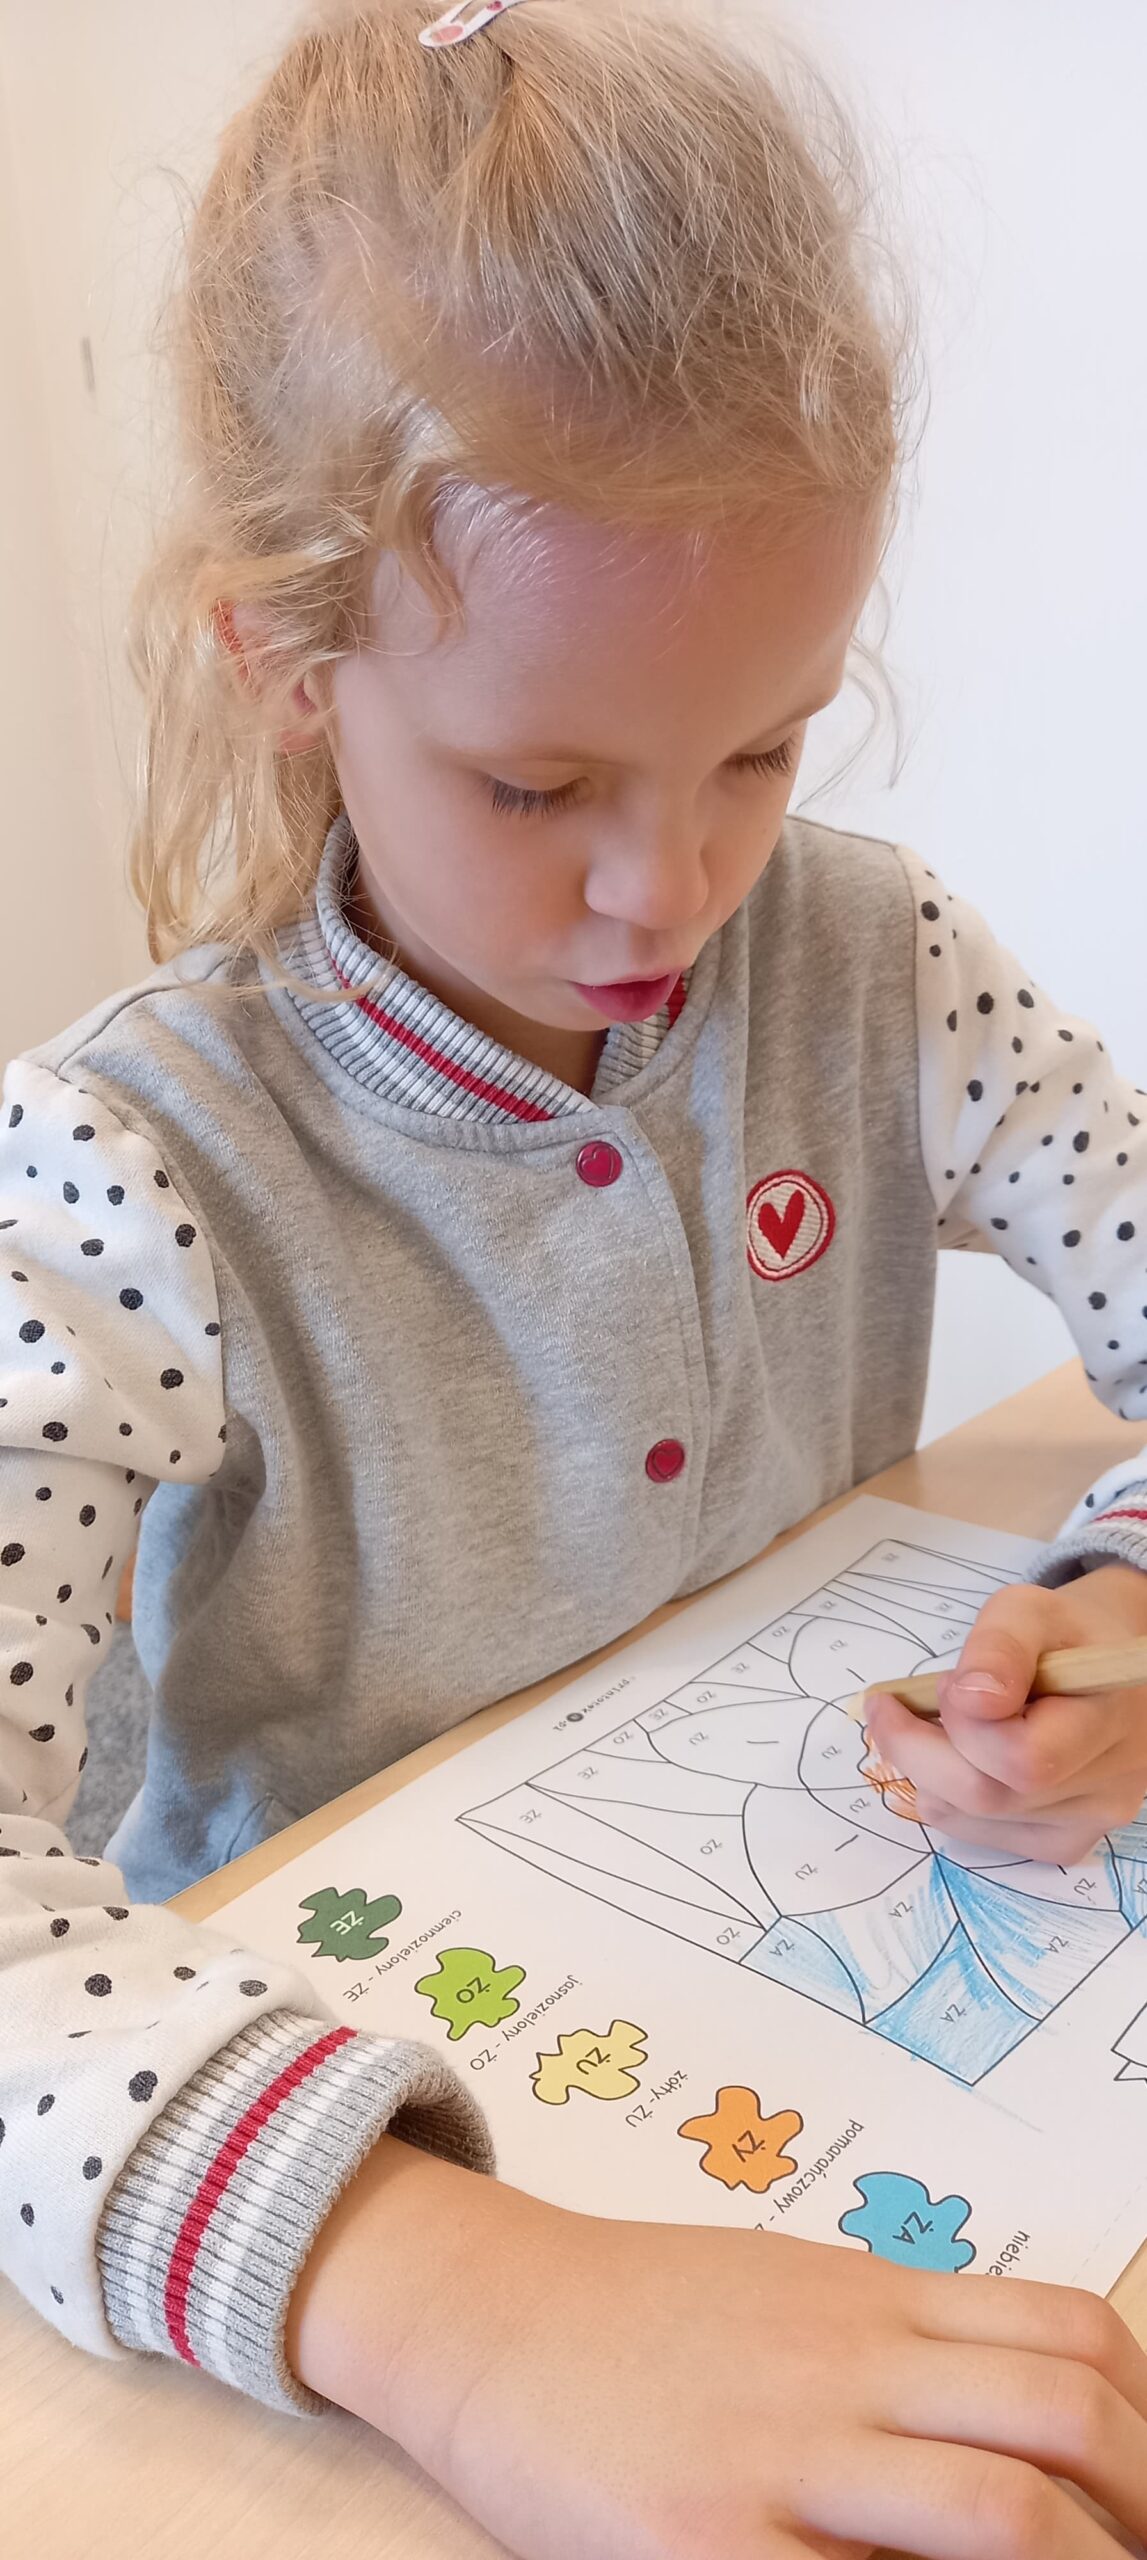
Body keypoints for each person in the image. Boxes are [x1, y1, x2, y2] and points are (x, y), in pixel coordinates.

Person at [2, 0, 1146, 2548]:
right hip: (306, 2220)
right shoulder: (115, 1169)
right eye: (538, 783)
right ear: (288, 668)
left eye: (762, 744)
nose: (676, 883)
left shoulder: (875, 962)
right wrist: (442, 2287)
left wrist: (1119, 1598)